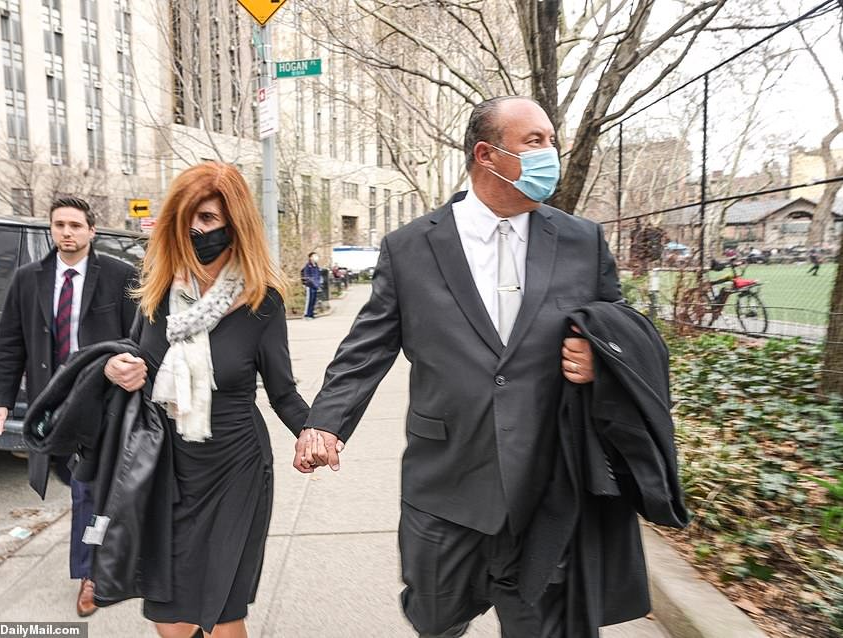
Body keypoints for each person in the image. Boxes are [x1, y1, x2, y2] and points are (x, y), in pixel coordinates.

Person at [294, 97, 684, 637]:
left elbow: (618, 324)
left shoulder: (581, 240)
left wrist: (602, 357)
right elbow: (368, 347)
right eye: (536, 141)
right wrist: (324, 423)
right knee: (434, 620)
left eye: (552, 139)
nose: (552, 153)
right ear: (487, 153)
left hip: (550, 488)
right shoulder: (411, 247)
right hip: (446, 484)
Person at [103, 162, 309, 638]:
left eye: (210, 219)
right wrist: (116, 368)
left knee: (222, 614)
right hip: (167, 471)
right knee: (172, 618)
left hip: (235, 469)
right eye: (189, 218)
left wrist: (318, 431)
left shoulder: (263, 302)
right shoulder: (154, 297)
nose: (197, 229)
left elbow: (282, 392)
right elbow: (133, 359)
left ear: (235, 224)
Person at [0, 197, 137, 617]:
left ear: (91, 230)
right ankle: (100, 557)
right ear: (51, 229)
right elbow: (10, 344)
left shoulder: (121, 276)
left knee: (90, 487)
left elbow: (137, 338)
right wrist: (1, 402)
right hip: (53, 401)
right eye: (59, 225)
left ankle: (91, 575)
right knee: (80, 484)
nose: (67, 232)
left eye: (75, 225)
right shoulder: (28, 279)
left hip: (105, 401)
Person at [300, 251, 322, 318]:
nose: (316, 257)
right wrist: (312, 283)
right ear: (310, 257)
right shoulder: (308, 266)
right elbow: (307, 276)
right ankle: (307, 314)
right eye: (314, 256)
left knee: (313, 300)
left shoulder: (316, 266)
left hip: (315, 286)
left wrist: (318, 283)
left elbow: (318, 275)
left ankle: (311, 313)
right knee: (309, 300)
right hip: (310, 285)